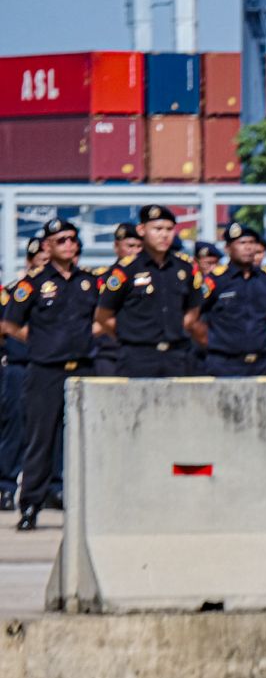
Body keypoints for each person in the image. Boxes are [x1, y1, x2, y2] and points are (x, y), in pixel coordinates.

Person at [2, 220, 97, 532]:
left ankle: (87, 503)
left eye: (72, 239)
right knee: (40, 440)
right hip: (46, 369)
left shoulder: (88, 281)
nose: (69, 245)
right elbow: (10, 325)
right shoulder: (34, 283)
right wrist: (42, 341)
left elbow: (103, 317)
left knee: (87, 438)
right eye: (61, 240)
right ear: (48, 247)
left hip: (83, 367)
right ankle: (31, 504)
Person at [94, 204, 202, 377]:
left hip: (176, 356)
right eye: (157, 229)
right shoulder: (126, 270)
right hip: (137, 356)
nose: (164, 235)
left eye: (169, 229)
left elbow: (193, 309)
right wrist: (129, 335)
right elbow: (103, 315)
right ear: (142, 230)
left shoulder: (185, 267)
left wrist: (177, 329)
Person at [195, 222, 266, 377]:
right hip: (223, 363)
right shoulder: (216, 280)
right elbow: (193, 318)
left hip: (263, 363)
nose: (248, 248)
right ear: (228, 248)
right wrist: (211, 341)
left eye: (252, 243)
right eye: (242, 243)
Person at [0, 238, 45, 513]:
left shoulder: (66, 291)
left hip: (47, 367)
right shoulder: (14, 292)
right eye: (38, 261)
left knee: (46, 432)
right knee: (14, 429)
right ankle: (6, 487)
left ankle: (52, 488)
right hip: (18, 365)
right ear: (29, 263)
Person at [90, 222, 141, 376]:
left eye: (139, 246)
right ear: (116, 246)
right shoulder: (103, 278)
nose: (135, 251)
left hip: (141, 352)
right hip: (109, 354)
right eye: (130, 246)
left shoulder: (152, 277)